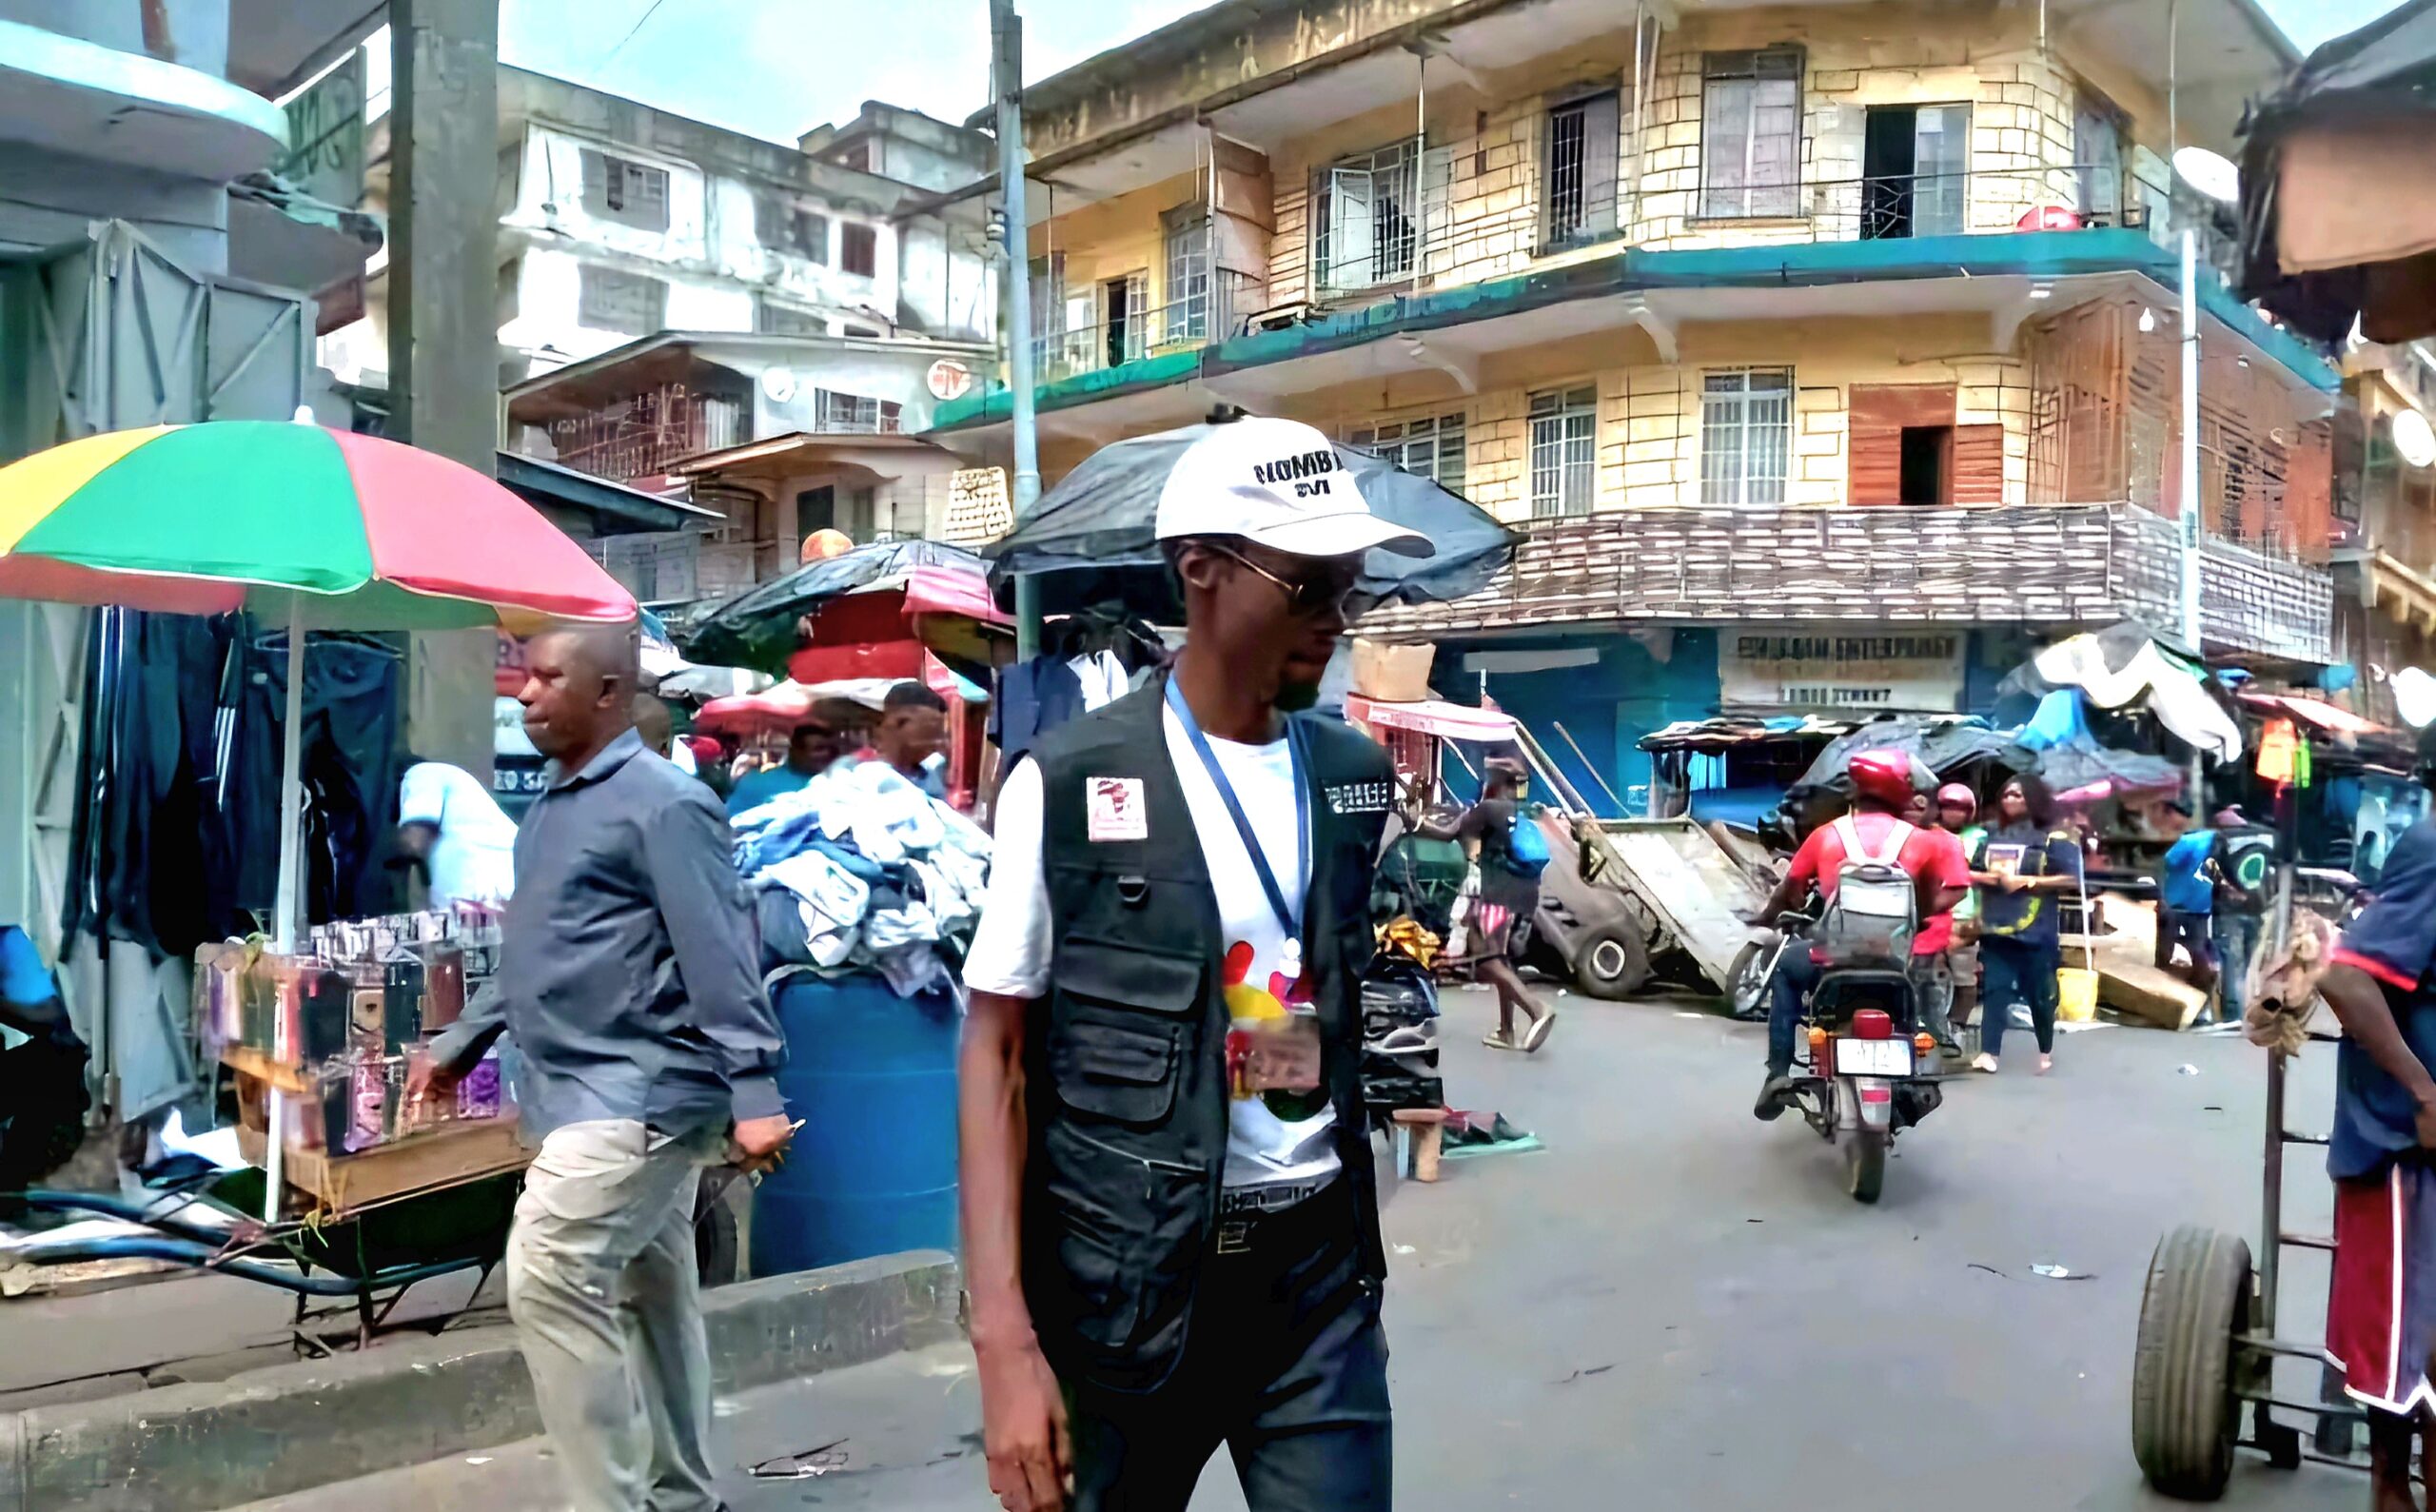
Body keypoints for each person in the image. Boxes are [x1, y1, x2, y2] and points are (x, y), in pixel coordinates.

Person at [957, 415, 1429, 1512]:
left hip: (1314, 1284)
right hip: (1125, 1287)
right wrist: (1001, 1338)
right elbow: (999, 1050)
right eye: (1309, 586)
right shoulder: (1071, 781)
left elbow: (1296, 999)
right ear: (1200, 570)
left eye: (1349, 588)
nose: (1334, 620)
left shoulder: (1350, 775)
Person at [410, 621, 795, 1512]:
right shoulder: (552, 806)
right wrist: (462, 1037)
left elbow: (719, 952)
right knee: (654, 1289)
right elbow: (539, 946)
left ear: (610, 695)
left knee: (548, 1267)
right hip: (574, 1087)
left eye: (547, 679)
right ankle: (684, 1495)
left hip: (640, 1089)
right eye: (526, 679)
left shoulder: (666, 802)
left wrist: (755, 1089)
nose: (525, 694)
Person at [2314, 777, 2436, 1512]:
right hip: (2401, 1141)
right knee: (2404, 1343)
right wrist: (2424, 1093)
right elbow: (2344, 975)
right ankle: (2390, 1485)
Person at [1747, 750, 1969, 1117]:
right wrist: (1916, 918)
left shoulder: (1826, 836)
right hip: (1896, 963)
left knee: (1786, 967)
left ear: (1854, 790)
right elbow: (1930, 898)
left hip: (1832, 962)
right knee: (1911, 1014)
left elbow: (1791, 888)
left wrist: (1767, 917)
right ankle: (1912, 1080)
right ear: (1901, 791)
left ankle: (1778, 1073)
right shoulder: (1922, 842)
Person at [1418, 760, 1554, 1052]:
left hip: (1496, 896)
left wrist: (1412, 821)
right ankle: (1505, 1031)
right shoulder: (1522, 811)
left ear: (1495, 783)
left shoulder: (1488, 809)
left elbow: (1447, 832)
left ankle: (1537, 1009)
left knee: (1486, 959)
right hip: (1526, 896)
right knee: (1500, 960)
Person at [1967, 774, 2081, 1075]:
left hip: (2036, 932)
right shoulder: (1991, 834)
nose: (2011, 800)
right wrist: (1989, 879)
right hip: (1996, 927)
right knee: (1996, 991)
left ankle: (2045, 1049)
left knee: (2041, 998)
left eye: (2018, 795)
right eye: (2006, 795)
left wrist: (2029, 881)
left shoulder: (2053, 837)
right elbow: (1970, 872)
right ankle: (1989, 1053)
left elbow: (2072, 878)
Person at [396, 757, 519, 910]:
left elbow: (413, 843)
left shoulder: (421, 774)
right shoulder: (452, 781)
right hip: (497, 884)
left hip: (480, 884)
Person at [724, 700, 860, 816]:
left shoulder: (842, 783)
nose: (828, 754)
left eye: (832, 748)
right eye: (819, 749)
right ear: (795, 750)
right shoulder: (755, 783)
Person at [2210, 803, 2277, 1025]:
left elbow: (2212, 871)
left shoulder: (2221, 838)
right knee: (2254, 962)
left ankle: (2233, 1013)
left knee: (2230, 960)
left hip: (2229, 907)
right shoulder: (2266, 836)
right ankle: (2254, 1013)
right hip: (2259, 906)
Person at [2153, 801, 2221, 1007]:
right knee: (2190, 951)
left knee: (2170, 952)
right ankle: (2197, 1002)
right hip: (2190, 906)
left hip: (2186, 906)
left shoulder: (2190, 841)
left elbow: (2167, 863)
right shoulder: (2197, 842)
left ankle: (2183, 1000)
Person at [1933, 783, 1984, 1043]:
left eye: (1960, 809)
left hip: (1964, 916)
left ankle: (1958, 1026)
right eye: (1948, 808)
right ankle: (1932, 1025)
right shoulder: (1928, 835)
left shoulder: (1980, 837)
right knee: (1929, 971)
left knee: (1964, 976)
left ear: (1970, 812)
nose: (1954, 814)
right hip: (1933, 913)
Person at [874, 679, 952, 798]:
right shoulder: (868, 780)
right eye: (931, 731)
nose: (939, 744)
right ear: (899, 722)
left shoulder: (930, 776)